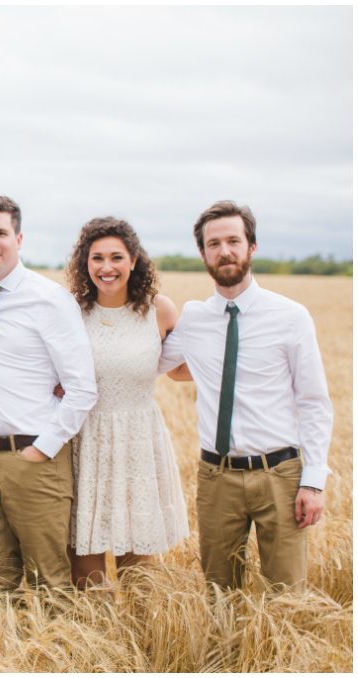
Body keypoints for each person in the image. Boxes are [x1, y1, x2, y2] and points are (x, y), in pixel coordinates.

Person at [159, 200, 332, 591]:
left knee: (286, 593)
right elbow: (148, 364)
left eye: (233, 241)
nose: (224, 251)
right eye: (214, 243)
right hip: (216, 476)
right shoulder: (194, 319)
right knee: (220, 591)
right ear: (203, 253)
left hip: (281, 475)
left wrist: (314, 481)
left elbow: (313, 401)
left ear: (251, 247)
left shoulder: (290, 316)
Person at [0, 194, 97, 591]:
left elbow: (82, 387)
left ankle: (60, 652)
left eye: (0, 232)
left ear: (19, 238)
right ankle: (8, 653)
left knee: (50, 578)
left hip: (33, 458)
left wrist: (42, 448)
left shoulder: (49, 299)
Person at [64, 217, 190, 588]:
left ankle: (142, 639)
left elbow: (183, 368)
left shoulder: (159, 310)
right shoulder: (72, 312)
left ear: (134, 260)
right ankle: (95, 640)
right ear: (85, 263)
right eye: (96, 258)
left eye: (116, 257)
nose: (106, 267)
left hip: (138, 441)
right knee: (85, 567)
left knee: (139, 566)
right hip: (84, 441)